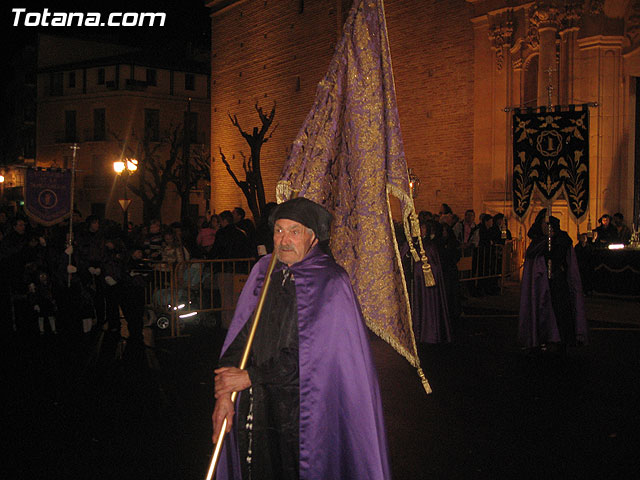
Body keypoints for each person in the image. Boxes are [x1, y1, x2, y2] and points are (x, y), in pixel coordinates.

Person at [212, 197, 390, 480]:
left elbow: (312, 358)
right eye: (279, 230)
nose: (284, 240)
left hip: (304, 412)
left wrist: (249, 377)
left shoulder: (331, 282)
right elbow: (241, 337)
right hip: (258, 407)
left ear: (313, 238)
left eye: (294, 231)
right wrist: (223, 393)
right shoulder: (264, 271)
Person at [518, 209, 588, 353]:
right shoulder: (537, 242)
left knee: (560, 311)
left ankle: (561, 339)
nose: (546, 227)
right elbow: (533, 261)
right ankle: (542, 338)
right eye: (543, 223)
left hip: (558, 282)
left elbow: (564, 260)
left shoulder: (561, 240)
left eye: (547, 224)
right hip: (541, 286)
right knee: (542, 311)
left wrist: (553, 254)